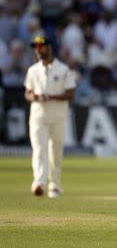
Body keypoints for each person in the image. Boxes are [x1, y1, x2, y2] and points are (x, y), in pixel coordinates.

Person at [24, 34, 77, 198]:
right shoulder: (33, 70)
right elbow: (28, 92)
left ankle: (54, 184)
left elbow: (70, 94)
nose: (38, 50)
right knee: (39, 150)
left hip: (58, 117)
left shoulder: (63, 70)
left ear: (49, 48)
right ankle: (39, 182)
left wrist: (51, 98)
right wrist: (34, 97)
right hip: (38, 116)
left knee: (55, 152)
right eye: (36, 48)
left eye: (41, 47)